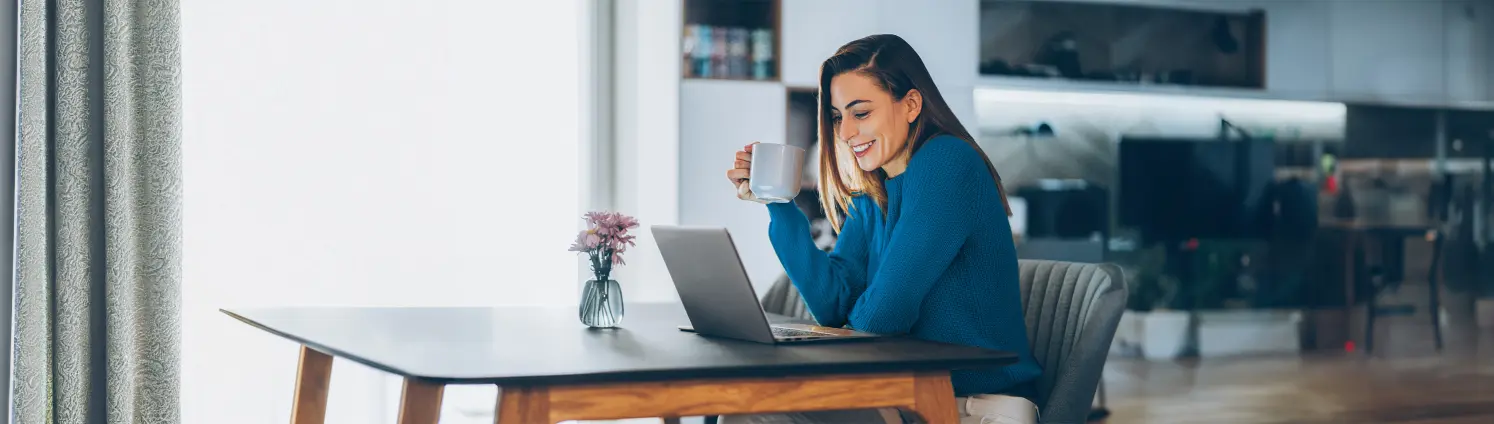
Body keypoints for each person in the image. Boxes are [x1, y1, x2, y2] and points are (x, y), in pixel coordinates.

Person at [722, 34, 1042, 424]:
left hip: (976, 404)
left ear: (910, 104)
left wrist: (838, 337)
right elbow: (833, 306)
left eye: (861, 113)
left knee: (754, 413)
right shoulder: (875, 189)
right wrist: (778, 203)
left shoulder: (947, 162)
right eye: (839, 117)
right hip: (906, 391)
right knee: (746, 409)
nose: (844, 133)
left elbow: (884, 317)